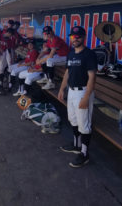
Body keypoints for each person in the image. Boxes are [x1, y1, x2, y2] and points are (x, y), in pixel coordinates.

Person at [58, 26, 97, 168]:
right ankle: (76, 145)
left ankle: (85, 154)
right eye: (73, 36)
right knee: (72, 119)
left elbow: (92, 77)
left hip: (83, 91)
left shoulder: (89, 54)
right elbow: (67, 73)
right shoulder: (71, 54)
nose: (75, 39)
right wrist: (62, 88)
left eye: (78, 36)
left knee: (84, 125)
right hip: (72, 91)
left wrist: (86, 97)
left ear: (84, 37)